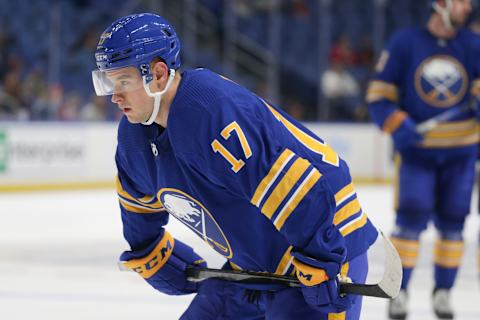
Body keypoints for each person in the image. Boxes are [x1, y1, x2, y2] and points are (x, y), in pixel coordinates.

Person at [92, 13, 379, 319]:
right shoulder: (134, 136)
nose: (114, 96)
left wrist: (322, 259)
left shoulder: (209, 110)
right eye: (109, 82)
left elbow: (292, 186)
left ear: (159, 75)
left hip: (322, 239)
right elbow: (136, 201)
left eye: (123, 81)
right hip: (254, 263)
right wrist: (149, 249)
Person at [367, 1, 479, 319]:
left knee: (454, 224)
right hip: (417, 156)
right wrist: (396, 122)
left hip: (461, 155)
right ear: (440, 5)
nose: (467, 8)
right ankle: (399, 291)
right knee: (410, 221)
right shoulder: (405, 42)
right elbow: (378, 96)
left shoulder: (474, 45)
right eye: (461, 2)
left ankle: (443, 292)